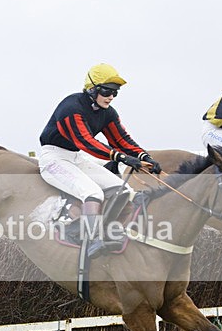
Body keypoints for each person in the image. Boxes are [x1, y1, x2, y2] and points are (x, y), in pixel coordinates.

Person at [38, 63, 161, 258]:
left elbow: (121, 140)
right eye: (107, 91)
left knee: (123, 190)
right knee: (92, 192)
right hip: (53, 158)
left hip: (76, 157)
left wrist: (144, 156)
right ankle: (92, 239)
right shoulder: (71, 107)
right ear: (92, 88)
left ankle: (107, 231)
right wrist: (122, 158)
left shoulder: (107, 113)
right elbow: (85, 141)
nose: (111, 97)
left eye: (115, 93)